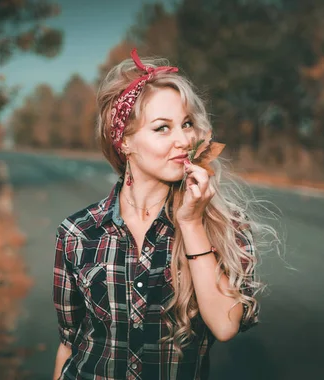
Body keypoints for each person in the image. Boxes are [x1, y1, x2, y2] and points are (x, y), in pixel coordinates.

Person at [53, 49, 275, 380]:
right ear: (124, 140)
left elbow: (226, 325)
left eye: (187, 124)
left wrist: (190, 222)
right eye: (162, 128)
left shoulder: (223, 225)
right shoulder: (78, 233)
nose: (184, 140)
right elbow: (69, 344)